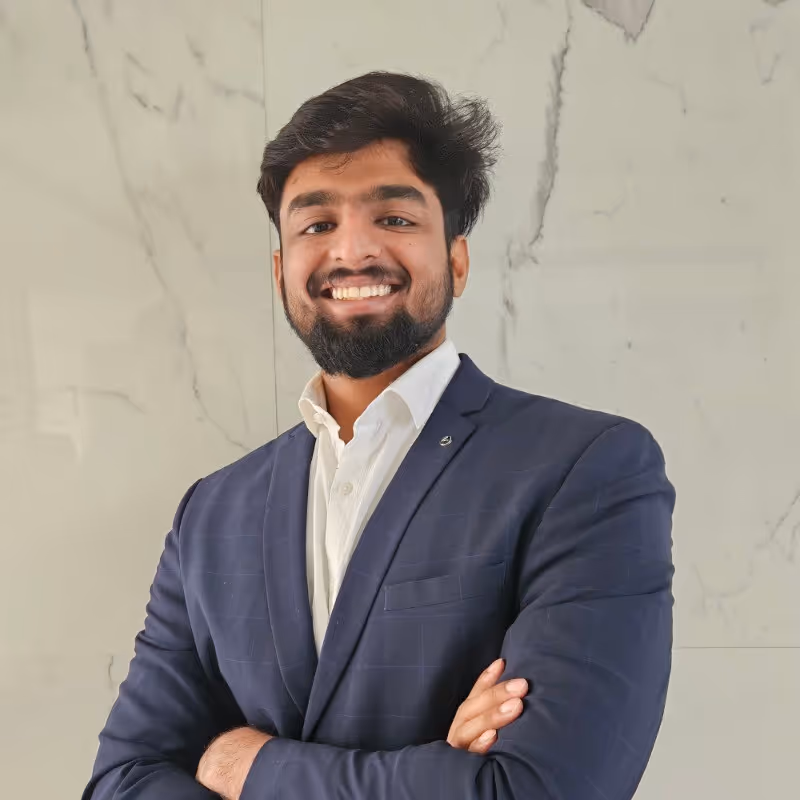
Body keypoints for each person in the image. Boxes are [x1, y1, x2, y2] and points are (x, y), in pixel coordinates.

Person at [83, 71, 675, 800]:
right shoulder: (212, 512)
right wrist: (436, 769)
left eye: (394, 219)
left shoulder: (584, 470)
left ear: (457, 258)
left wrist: (249, 766)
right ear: (280, 270)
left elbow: (540, 791)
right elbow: (122, 782)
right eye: (315, 223)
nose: (352, 251)